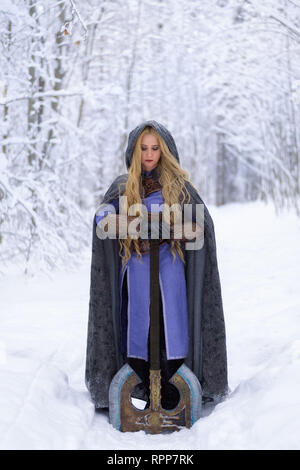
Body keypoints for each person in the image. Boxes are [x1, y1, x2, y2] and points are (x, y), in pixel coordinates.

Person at [85, 120, 229, 412]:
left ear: (165, 151)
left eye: (155, 148)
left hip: (171, 266)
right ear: (134, 151)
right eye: (143, 148)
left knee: (172, 324)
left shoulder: (179, 187)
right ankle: (141, 383)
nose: (149, 154)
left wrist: (177, 226)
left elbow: (201, 224)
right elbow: (102, 217)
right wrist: (125, 223)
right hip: (136, 267)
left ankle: (173, 385)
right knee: (139, 323)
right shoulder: (124, 186)